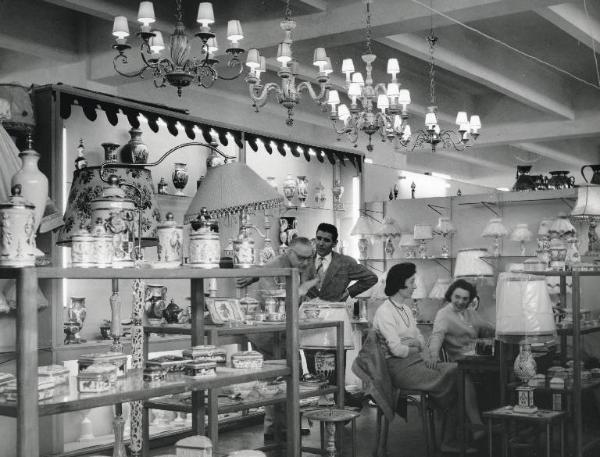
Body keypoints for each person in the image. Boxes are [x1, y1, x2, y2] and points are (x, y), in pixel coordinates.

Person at [372, 263, 462, 452]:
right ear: (400, 284)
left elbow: (420, 339)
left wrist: (412, 343)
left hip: (415, 363)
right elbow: (397, 350)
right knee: (455, 376)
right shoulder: (384, 312)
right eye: (412, 282)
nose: (415, 286)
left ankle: (447, 430)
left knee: (458, 371)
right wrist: (412, 345)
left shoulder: (405, 309)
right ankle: (449, 436)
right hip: (398, 369)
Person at [427, 279, 494, 440]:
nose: (460, 302)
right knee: (467, 377)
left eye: (465, 299)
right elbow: (437, 336)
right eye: (457, 297)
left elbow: (486, 327)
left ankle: (499, 423)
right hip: (460, 363)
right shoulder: (443, 314)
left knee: (502, 376)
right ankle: (478, 426)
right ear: (451, 295)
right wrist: (434, 354)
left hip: (478, 361)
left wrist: (504, 331)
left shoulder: (469, 312)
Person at [305, 222, 378, 301]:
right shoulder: (304, 261)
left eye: (326, 240)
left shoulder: (346, 262)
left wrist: (348, 292)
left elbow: (371, 277)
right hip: (309, 311)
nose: (321, 243)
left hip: (336, 311)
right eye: (319, 238)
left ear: (334, 243)